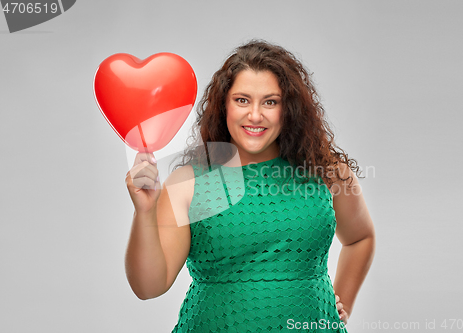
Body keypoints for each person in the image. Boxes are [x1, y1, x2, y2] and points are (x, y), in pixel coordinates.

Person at [124, 40, 375, 332]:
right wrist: (144, 212)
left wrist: (338, 305)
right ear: (224, 105)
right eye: (242, 100)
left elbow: (360, 239)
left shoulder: (327, 173)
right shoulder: (190, 183)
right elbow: (149, 287)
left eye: (270, 101)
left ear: (289, 108)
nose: (255, 115)